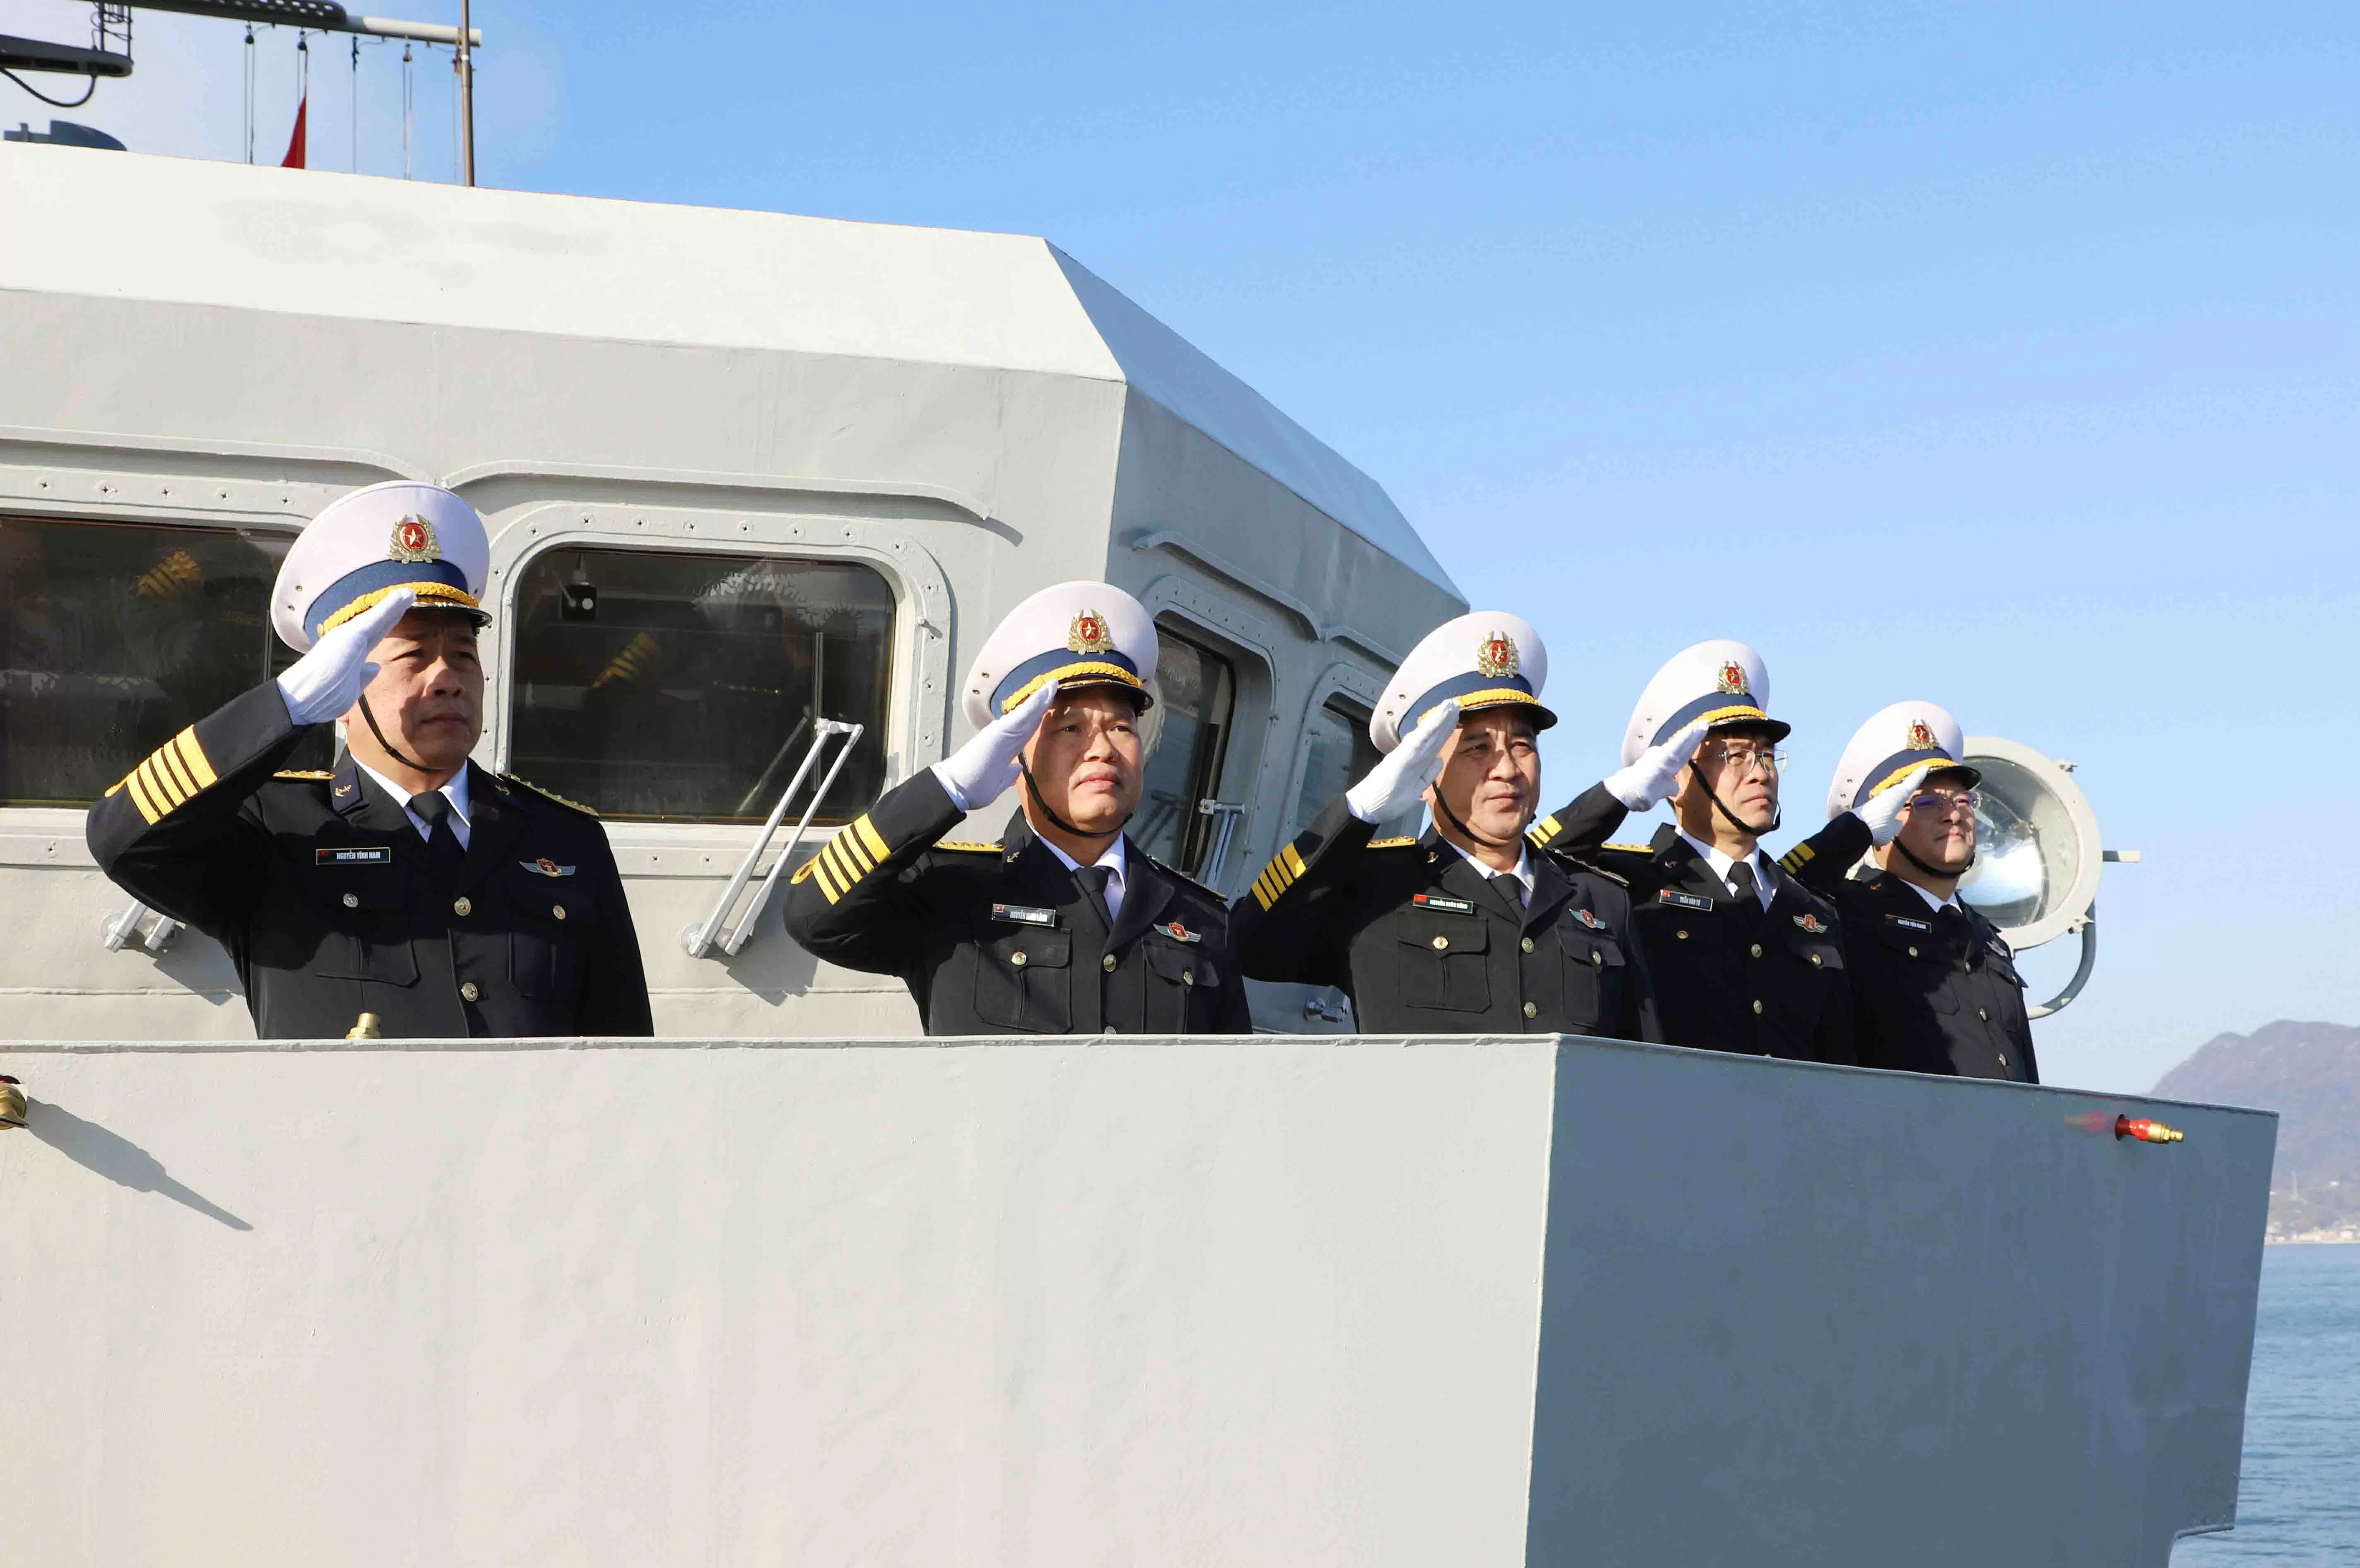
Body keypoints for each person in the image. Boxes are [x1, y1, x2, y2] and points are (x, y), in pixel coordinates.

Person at [86, 482, 654, 1039]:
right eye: (413, 656)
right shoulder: (272, 831)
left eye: (462, 655)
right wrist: (287, 707)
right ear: (340, 687)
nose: (447, 680)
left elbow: (624, 1054)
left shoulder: (564, 841)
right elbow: (123, 839)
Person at [782, 580, 1250, 1034]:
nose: (1103, 749)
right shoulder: (948, 890)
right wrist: (949, 788)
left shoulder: (1202, 919)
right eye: (1071, 729)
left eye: (1121, 728)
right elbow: (813, 917)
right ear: (1014, 754)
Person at [1228, 613, 1657, 1038]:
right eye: (1477, 748)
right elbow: (1249, 943)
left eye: (1522, 744)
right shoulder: (1375, 887)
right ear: (1423, 773)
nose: (1507, 768)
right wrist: (1359, 811)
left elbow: (1643, 1065)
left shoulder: (1601, 901)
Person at [1534, 641, 1853, 1063]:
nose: (1760, 772)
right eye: (1735, 755)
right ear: (1676, 777)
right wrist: (1617, 796)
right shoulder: (1632, 882)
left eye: (1766, 755)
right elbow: (1542, 861)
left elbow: (1840, 1057)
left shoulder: (1810, 909)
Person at [1772, 702, 2038, 1082]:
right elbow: (1778, 898)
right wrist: (1854, 832)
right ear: (1882, 820)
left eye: (1963, 801)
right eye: (1928, 802)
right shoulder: (1848, 915)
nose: (1954, 814)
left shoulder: (1987, 940)